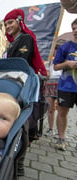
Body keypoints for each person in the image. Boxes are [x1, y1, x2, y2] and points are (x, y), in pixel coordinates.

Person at [3, 8, 47, 176]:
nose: (7, 26)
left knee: (22, 121)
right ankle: (13, 159)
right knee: (14, 120)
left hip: (22, 82)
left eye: (10, 22)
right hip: (13, 81)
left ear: (20, 22)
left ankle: (19, 162)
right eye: (5, 24)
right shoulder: (13, 42)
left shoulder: (25, 38)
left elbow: (20, 62)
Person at [53, 18, 77, 151]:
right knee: (62, 112)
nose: (75, 31)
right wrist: (67, 64)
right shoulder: (65, 47)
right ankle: (61, 138)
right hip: (66, 86)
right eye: (74, 28)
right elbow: (56, 67)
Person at [44, 56, 62, 137]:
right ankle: (50, 129)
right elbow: (47, 74)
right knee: (50, 108)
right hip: (50, 83)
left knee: (61, 110)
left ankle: (61, 131)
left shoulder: (64, 57)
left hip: (61, 82)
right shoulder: (49, 59)